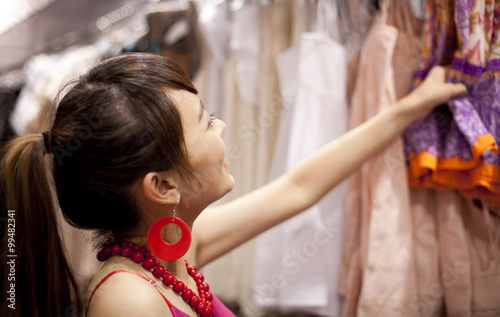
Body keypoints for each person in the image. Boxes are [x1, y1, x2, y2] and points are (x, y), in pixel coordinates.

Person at [0, 53, 466, 317]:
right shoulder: (128, 298)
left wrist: (410, 108)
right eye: (205, 123)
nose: (221, 127)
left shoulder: (169, 251)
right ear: (161, 186)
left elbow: (299, 187)